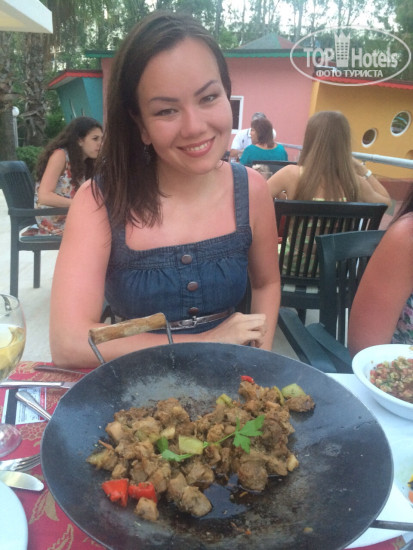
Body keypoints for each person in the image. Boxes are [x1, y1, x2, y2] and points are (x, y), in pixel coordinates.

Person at [50, 12, 280, 368]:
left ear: (226, 93)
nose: (194, 126)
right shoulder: (98, 202)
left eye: (208, 97)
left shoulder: (252, 190)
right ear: (140, 125)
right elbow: (68, 342)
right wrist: (203, 342)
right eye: (166, 111)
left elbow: (265, 285)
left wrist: (257, 364)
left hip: (227, 383)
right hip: (134, 390)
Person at [267, 111, 391, 206]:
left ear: (310, 140)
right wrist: (363, 170)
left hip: (296, 234)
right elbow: (386, 203)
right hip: (343, 235)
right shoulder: (355, 183)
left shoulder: (290, 174)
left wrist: (282, 197)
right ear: (344, 144)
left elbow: (256, 198)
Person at [348, 187, 413, 355]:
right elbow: (387, 204)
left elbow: (387, 204)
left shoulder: (293, 176)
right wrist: (364, 174)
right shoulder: (354, 181)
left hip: (304, 266)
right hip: (339, 271)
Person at [34, 116, 103, 235]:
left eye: (102, 139)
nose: (100, 144)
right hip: (53, 218)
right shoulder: (60, 155)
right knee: (105, 229)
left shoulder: (85, 162)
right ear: (79, 140)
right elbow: (44, 196)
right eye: (95, 139)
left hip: (72, 214)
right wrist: (81, 204)